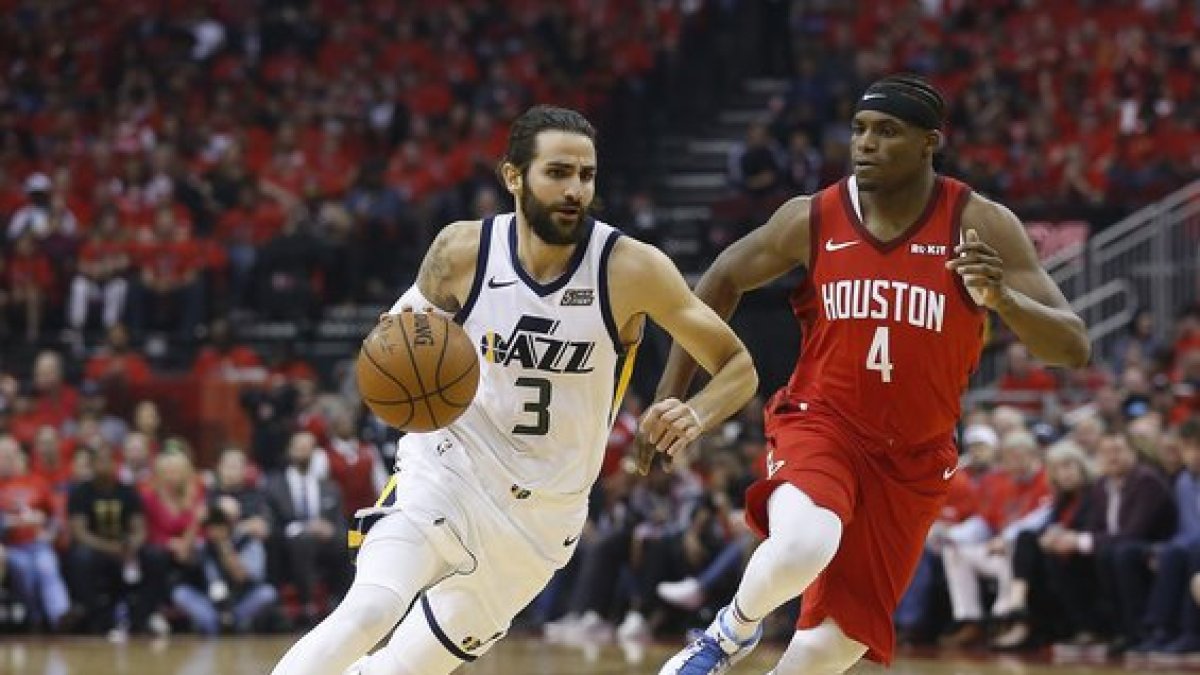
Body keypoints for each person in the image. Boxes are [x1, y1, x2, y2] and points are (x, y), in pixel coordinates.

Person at [269, 105, 757, 675]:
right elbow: (393, 351)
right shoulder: (460, 252)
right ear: (514, 177)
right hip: (446, 472)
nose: (575, 189)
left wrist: (695, 413)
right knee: (369, 608)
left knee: (400, 669)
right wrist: (394, 362)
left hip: (542, 520)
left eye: (586, 174)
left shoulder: (631, 269)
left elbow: (737, 366)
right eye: (558, 172)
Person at [651, 74, 1090, 675]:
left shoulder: (979, 224)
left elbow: (1073, 346)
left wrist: (1003, 301)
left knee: (831, 647)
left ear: (928, 142)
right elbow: (719, 278)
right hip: (822, 422)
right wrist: (669, 398)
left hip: (914, 456)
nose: (865, 144)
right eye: (859, 130)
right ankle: (726, 635)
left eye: (887, 132)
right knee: (805, 541)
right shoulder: (813, 217)